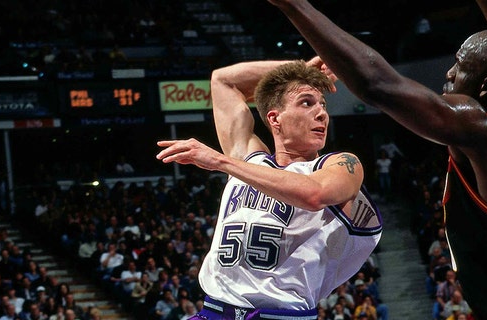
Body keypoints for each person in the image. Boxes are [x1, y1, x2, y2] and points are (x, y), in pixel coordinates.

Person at [268, 0, 487, 318]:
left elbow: (378, 85)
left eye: (460, 66)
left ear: (486, 86)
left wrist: (293, 5)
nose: (448, 73)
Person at [156, 56, 382, 319]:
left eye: (322, 105)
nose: (321, 113)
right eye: (307, 103)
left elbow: (314, 194)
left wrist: (220, 161)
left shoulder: (341, 164)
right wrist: (301, 70)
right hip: (213, 311)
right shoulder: (249, 158)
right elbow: (222, 80)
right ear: (275, 119)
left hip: (282, 315)